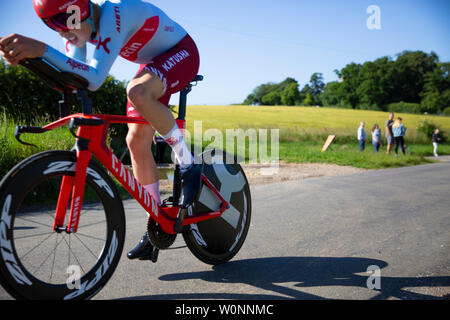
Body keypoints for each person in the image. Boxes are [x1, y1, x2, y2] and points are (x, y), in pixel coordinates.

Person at [0, 0, 202, 260]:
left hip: (182, 52)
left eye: (62, 21)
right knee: (135, 142)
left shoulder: (113, 13)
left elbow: (94, 78)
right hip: (153, 64)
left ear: (79, 9)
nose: (61, 32)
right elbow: (74, 75)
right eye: (51, 26)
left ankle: (187, 163)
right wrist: (32, 58)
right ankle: (157, 221)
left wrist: (41, 49)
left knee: (137, 91)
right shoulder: (78, 29)